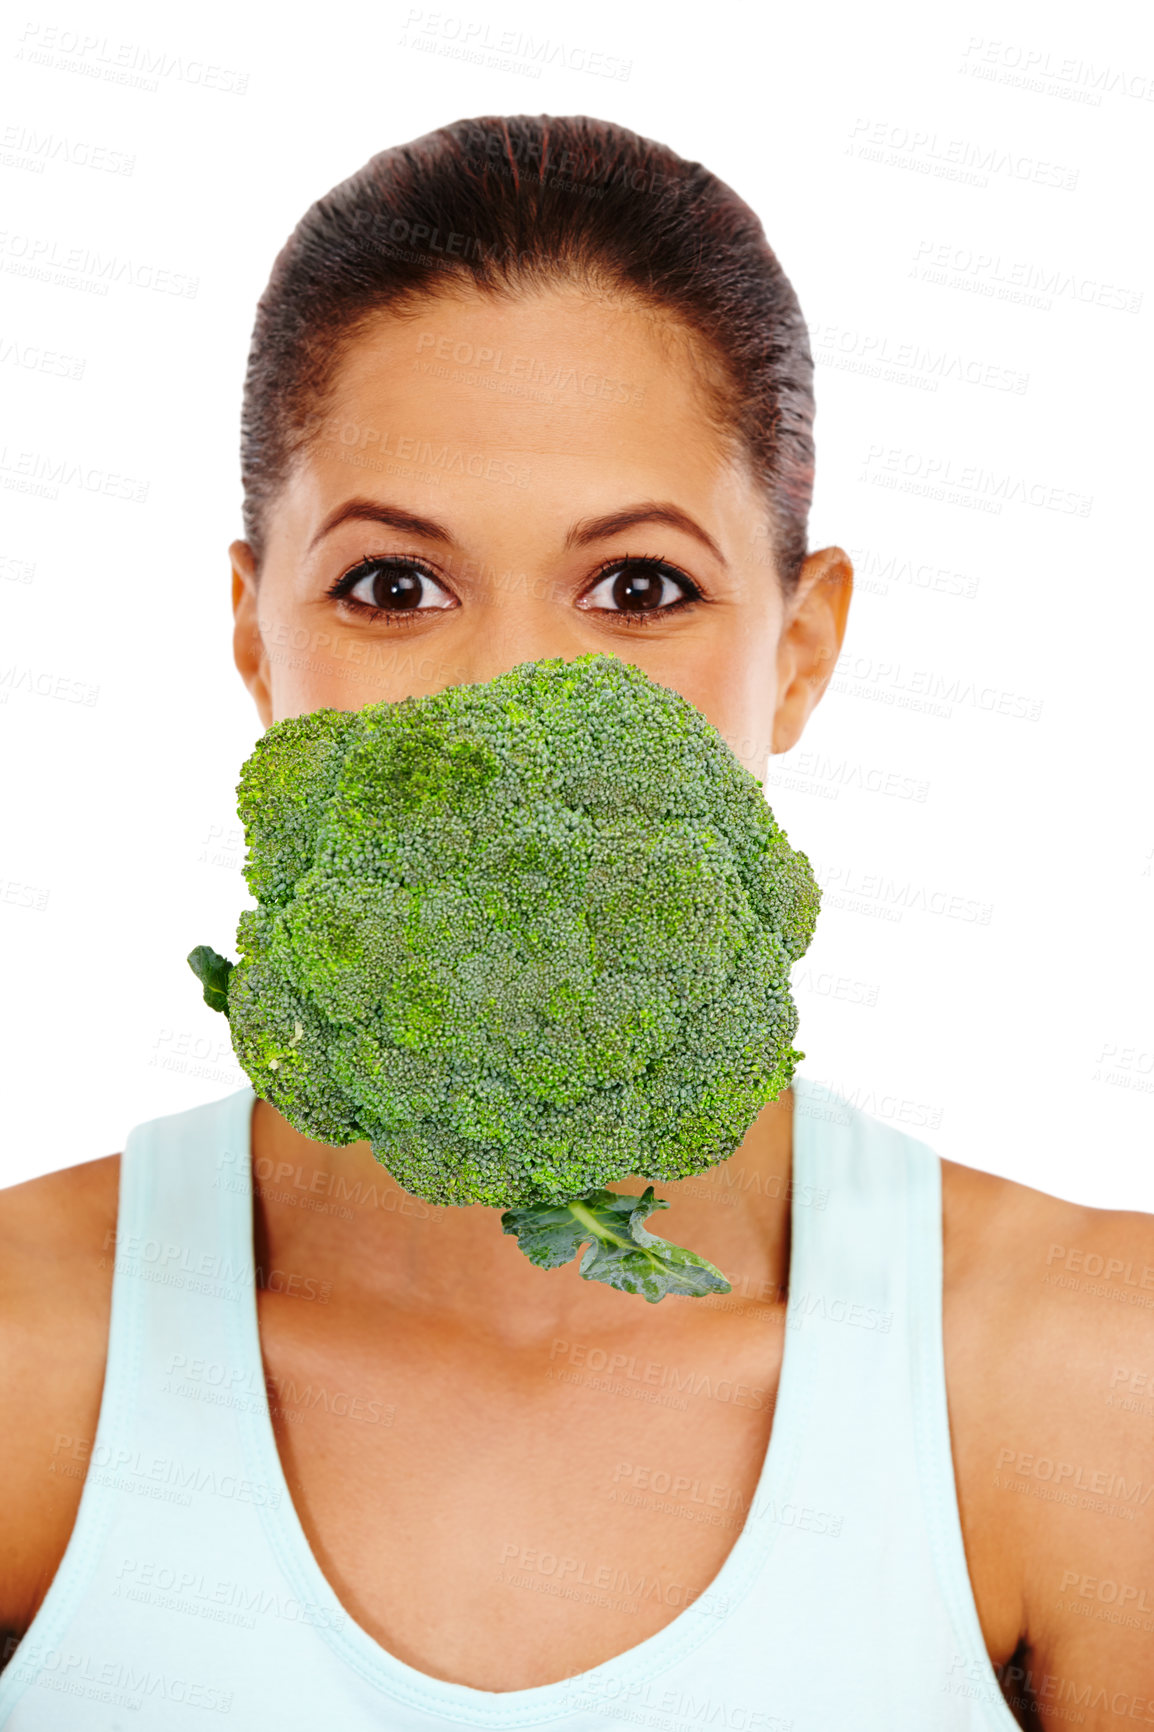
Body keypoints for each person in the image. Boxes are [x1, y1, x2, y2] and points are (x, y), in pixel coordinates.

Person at [1, 114, 1150, 1732]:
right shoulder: (23, 1363)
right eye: (395, 586)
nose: (503, 707)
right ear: (254, 640)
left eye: (637, 588)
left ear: (803, 649)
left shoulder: (1084, 1380)